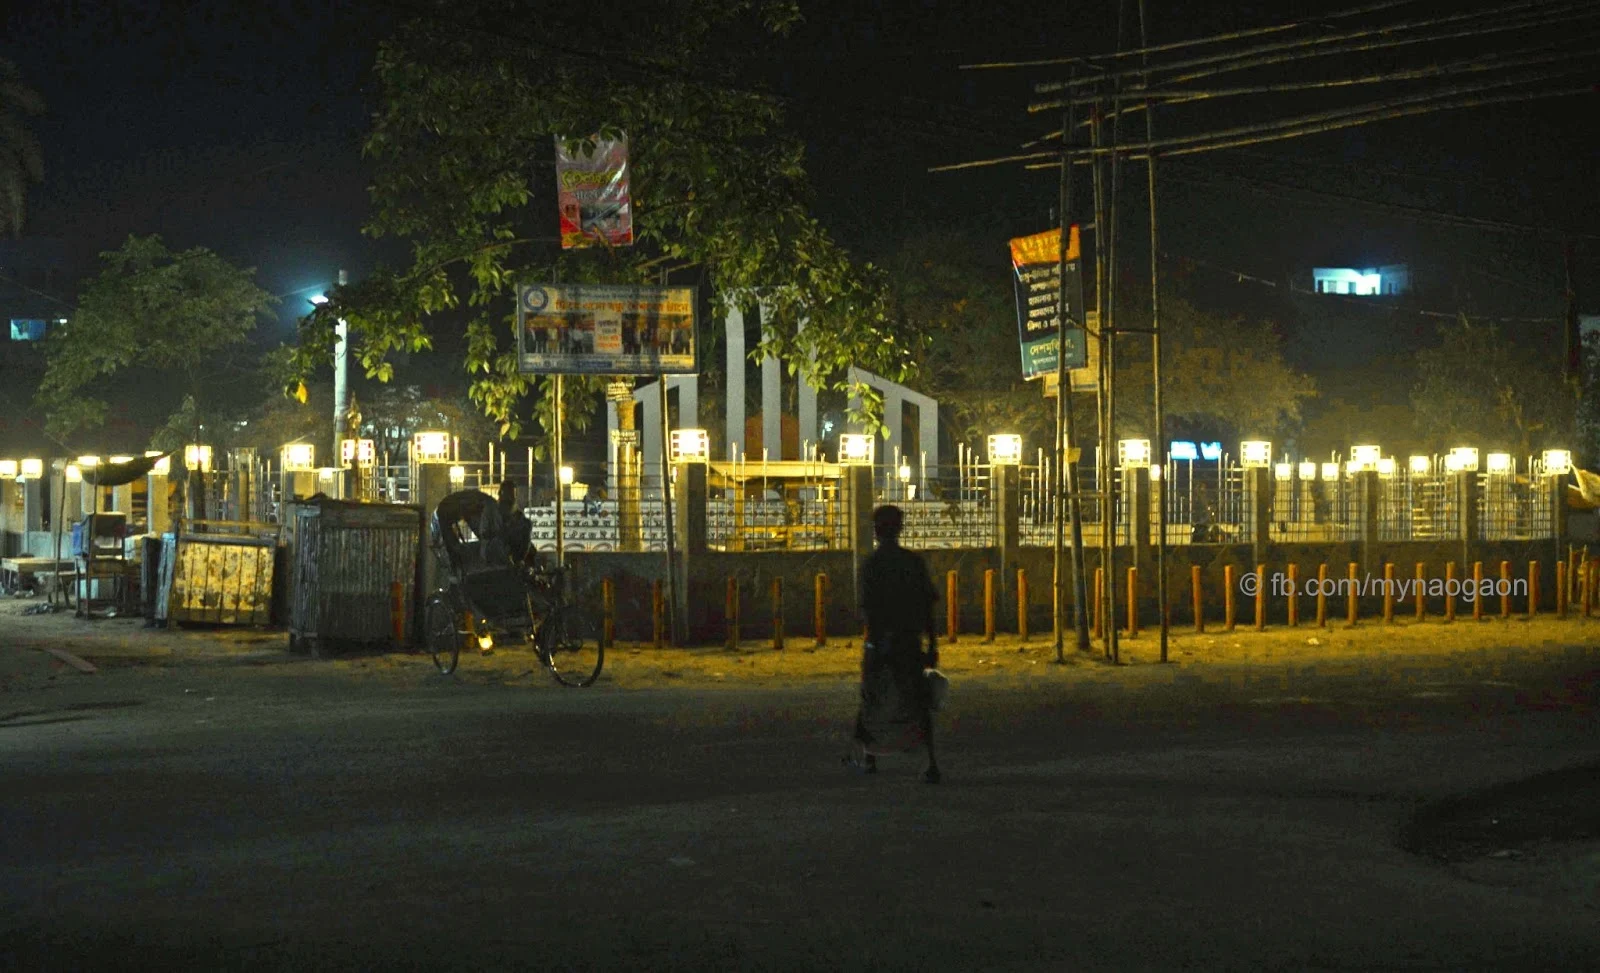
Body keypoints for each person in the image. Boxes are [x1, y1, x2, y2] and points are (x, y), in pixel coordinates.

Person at [847, 504, 942, 783]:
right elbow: (927, 607)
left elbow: (866, 610)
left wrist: (875, 643)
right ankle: (931, 762)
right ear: (900, 529)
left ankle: (869, 757)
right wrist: (933, 644)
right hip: (908, 641)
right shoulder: (912, 563)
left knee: (872, 701)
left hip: (879, 641)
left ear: (876, 531)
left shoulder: (872, 565)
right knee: (918, 702)